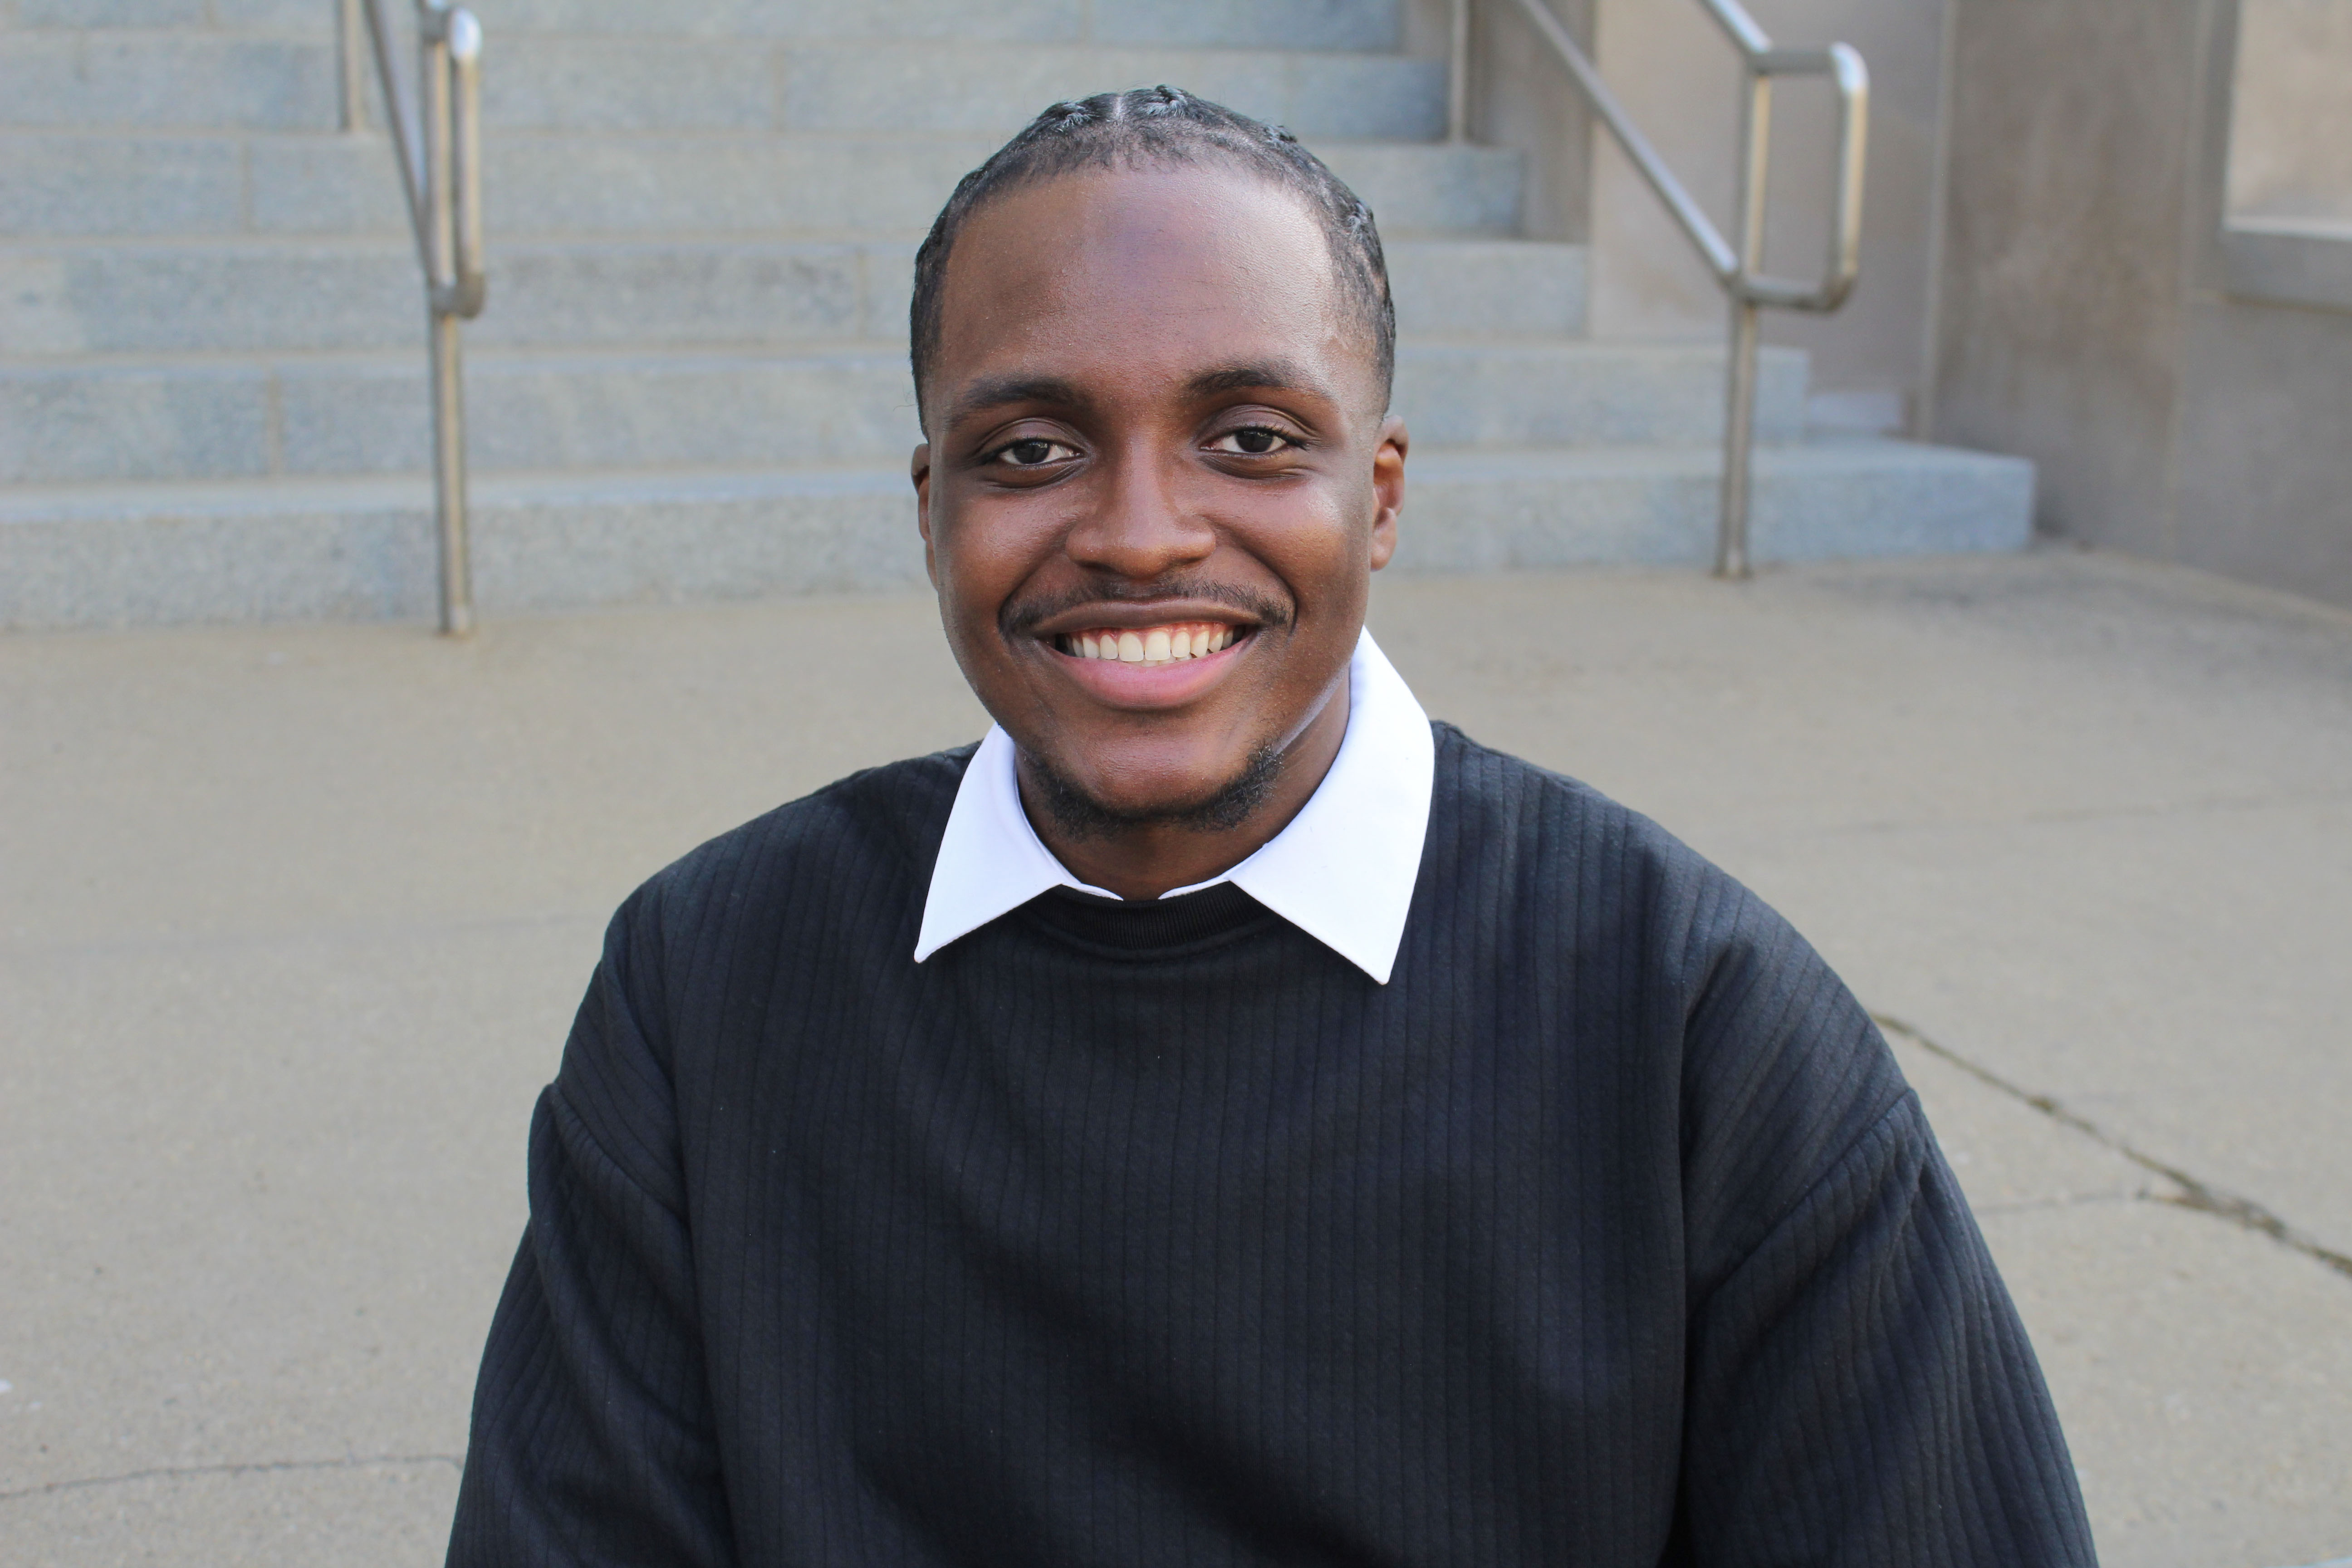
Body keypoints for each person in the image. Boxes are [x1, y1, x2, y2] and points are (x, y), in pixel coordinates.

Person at [446, 87, 2096, 1568]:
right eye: (1031, 449)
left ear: (1378, 497)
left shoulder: (1692, 1025)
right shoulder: (711, 986)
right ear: (933, 509)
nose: (1141, 534)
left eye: (1251, 439)